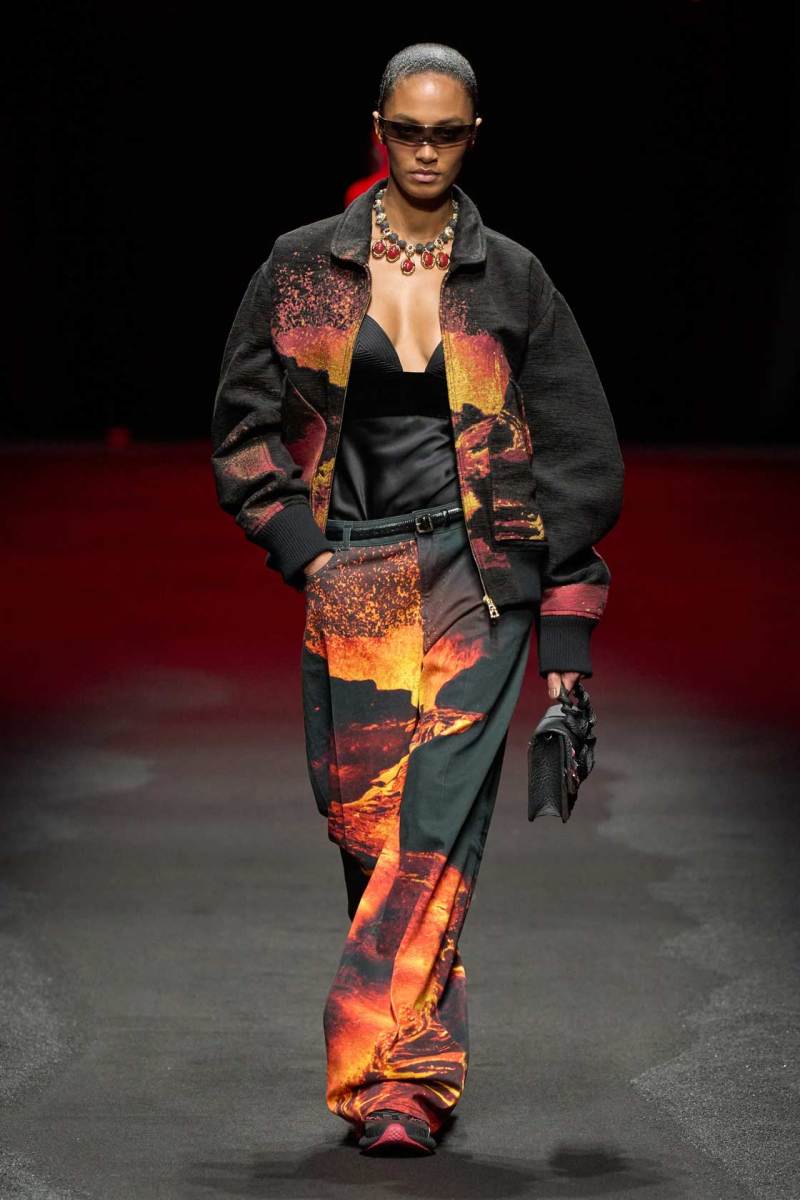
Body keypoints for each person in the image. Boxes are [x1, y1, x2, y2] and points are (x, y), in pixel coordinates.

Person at [210, 43, 625, 1156]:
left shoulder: (512, 278)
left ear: (473, 136)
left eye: (446, 133)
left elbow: (579, 457)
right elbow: (242, 430)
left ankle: (395, 1084)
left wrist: (561, 623)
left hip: (475, 577)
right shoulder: (304, 265)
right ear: (378, 129)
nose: (426, 151)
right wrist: (306, 555)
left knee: (436, 818)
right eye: (407, 131)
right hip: (352, 576)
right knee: (370, 830)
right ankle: (415, 1060)